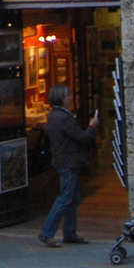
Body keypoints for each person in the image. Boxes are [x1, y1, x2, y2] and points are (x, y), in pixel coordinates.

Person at [37, 84, 98, 248]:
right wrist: (92, 126)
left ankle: (70, 233)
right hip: (68, 162)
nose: (71, 98)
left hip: (64, 161)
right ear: (61, 99)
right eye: (68, 96)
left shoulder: (54, 116)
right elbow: (82, 138)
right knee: (65, 197)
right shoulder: (64, 118)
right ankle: (47, 232)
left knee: (72, 198)